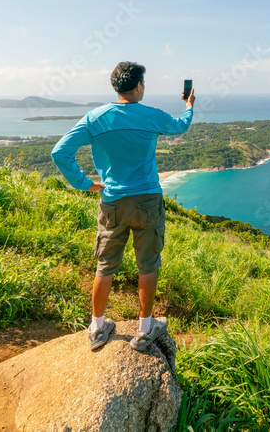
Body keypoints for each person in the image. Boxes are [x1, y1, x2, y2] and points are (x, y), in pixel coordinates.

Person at [51, 61, 195, 351]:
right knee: (148, 264)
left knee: (105, 265)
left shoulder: (96, 118)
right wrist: (189, 104)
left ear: (115, 86)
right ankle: (144, 329)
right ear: (139, 85)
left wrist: (84, 183)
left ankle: (98, 326)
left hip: (112, 201)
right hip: (147, 201)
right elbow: (181, 127)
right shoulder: (151, 115)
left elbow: (60, 152)